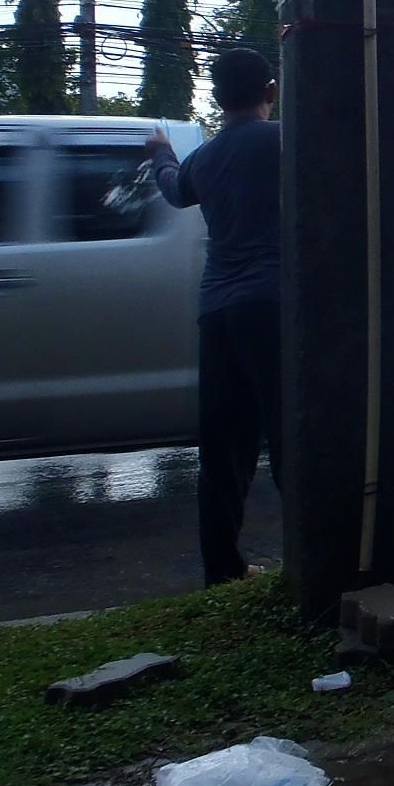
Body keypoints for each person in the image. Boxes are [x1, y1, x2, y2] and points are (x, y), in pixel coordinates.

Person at [144, 46, 281, 586]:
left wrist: (161, 152)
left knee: (224, 448)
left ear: (218, 100)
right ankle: (321, 557)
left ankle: (223, 571)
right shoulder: (284, 141)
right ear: (270, 92)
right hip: (271, 305)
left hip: (217, 311)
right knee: (290, 434)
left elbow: (173, 188)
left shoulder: (202, 158)